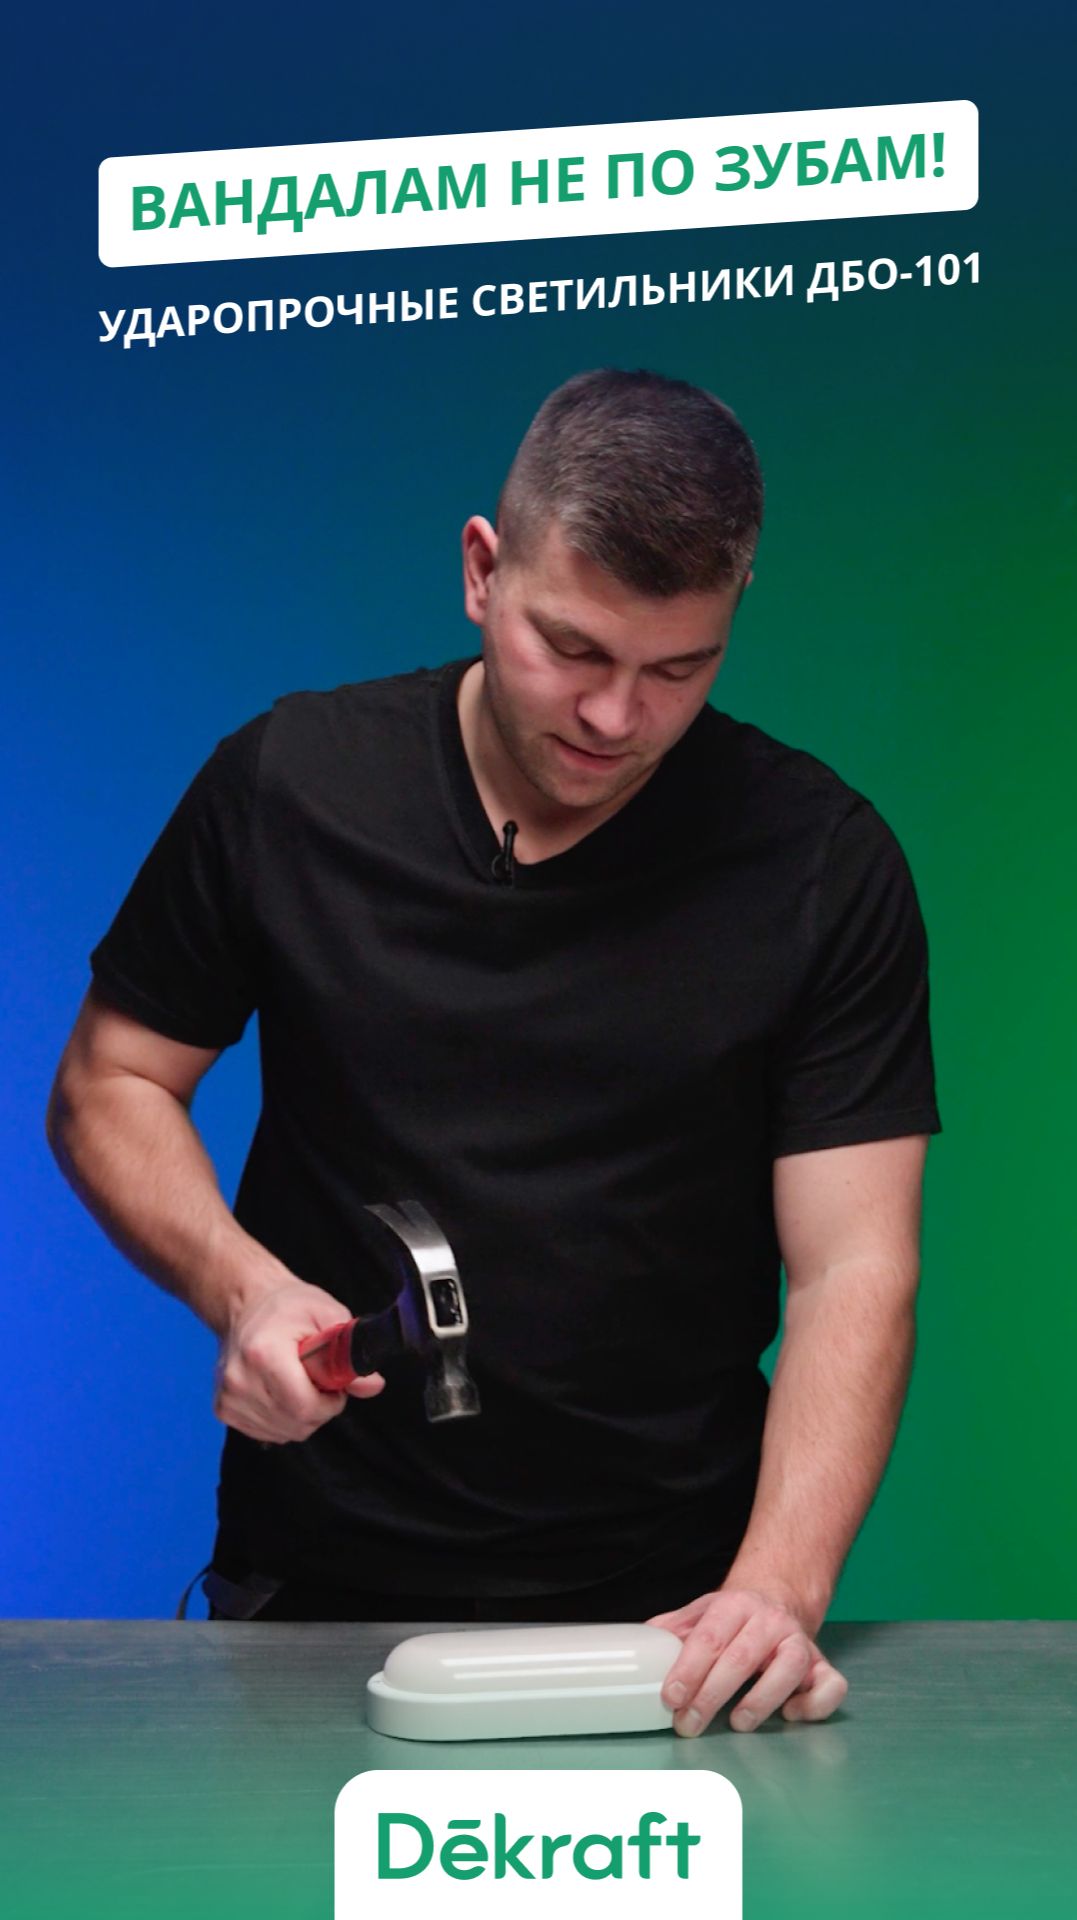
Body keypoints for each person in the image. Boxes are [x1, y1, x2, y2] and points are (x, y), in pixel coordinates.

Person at [46, 367, 941, 1736]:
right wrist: (243, 1289)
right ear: (481, 570)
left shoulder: (824, 864)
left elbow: (853, 1265)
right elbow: (109, 1082)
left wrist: (775, 1589)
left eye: (677, 670)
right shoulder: (288, 783)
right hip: (312, 1583)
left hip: (671, 1622)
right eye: (571, 649)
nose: (614, 717)